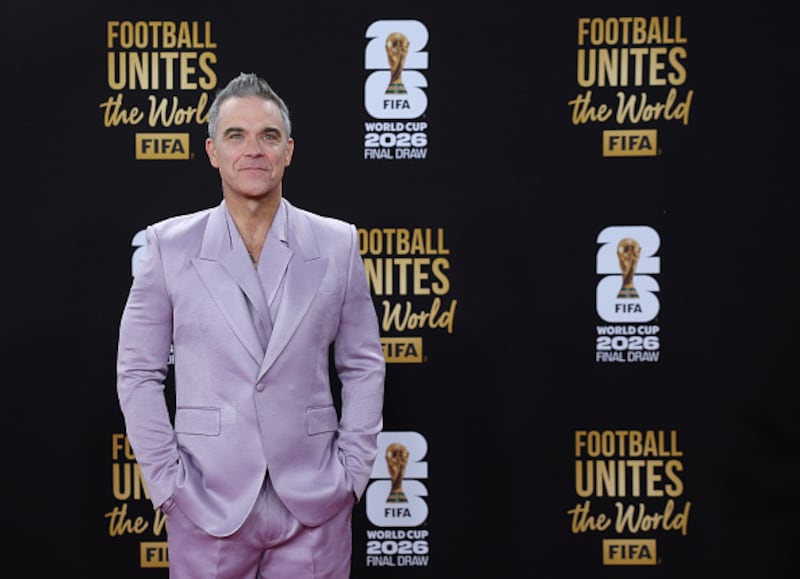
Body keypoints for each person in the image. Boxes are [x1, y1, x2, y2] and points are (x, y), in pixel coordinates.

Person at [116, 72, 386, 578]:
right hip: (207, 501)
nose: (253, 150)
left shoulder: (338, 244)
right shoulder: (168, 247)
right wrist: (168, 484)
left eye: (268, 136)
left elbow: (363, 364)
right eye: (236, 135)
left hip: (314, 501)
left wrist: (352, 473)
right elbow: (137, 372)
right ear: (213, 151)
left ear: (289, 151)